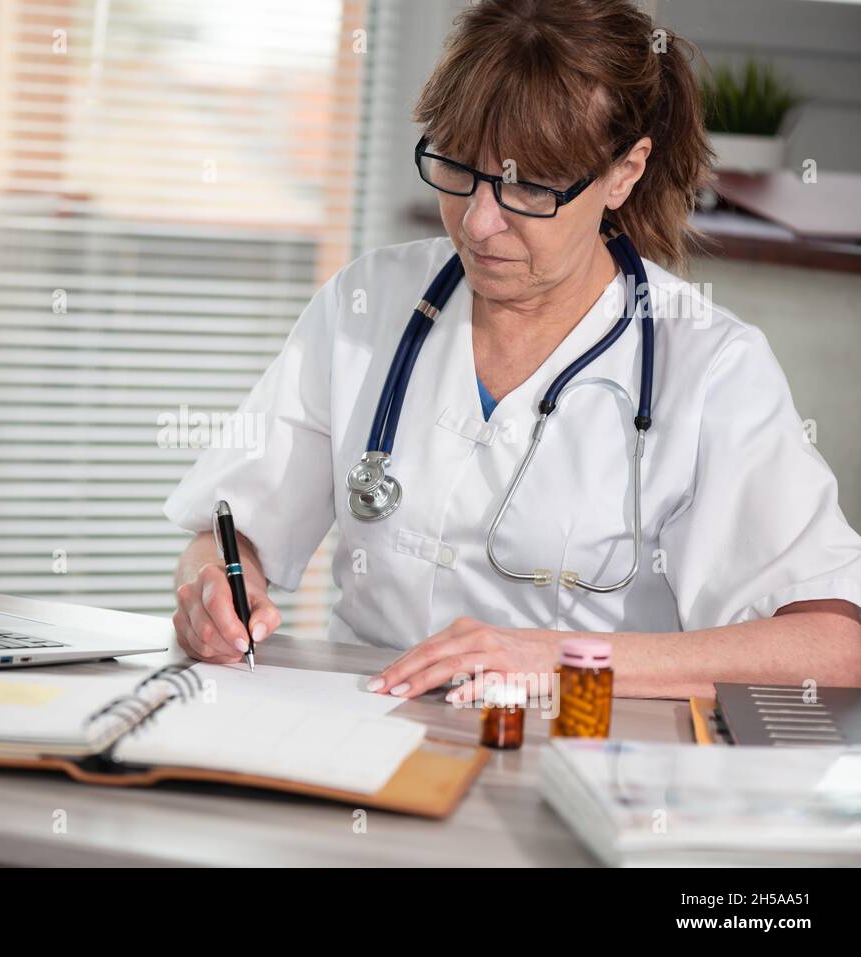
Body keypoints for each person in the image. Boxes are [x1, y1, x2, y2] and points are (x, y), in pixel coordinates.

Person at [163, 0, 861, 701]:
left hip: (585, 747)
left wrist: (559, 657)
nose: (479, 220)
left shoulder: (711, 368)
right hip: (363, 727)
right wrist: (215, 591)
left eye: (530, 185)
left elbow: (834, 645)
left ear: (625, 171)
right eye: (459, 166)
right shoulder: (367, 305)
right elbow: (227, 533)